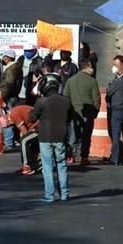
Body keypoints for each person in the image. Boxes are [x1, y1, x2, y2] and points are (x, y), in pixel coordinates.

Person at [29, 74, 73, 203]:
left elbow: (32, 117)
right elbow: (70, 117)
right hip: (61, 136)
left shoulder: (41, 101)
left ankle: (49, 195)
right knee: (62, 165)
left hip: (45, 137)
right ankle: (64, 194)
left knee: (47, 167)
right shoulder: (66, 101)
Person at [64, 58, 100, 166]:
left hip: (74, 112)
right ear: (87, 66)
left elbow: (66, 96)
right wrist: (95, 112)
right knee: (86, 136)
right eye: (91, 66)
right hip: (88, 113)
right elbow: (96, 99)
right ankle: (84, 157)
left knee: (73, 135)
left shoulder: (71, 80)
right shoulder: (92, 81)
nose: (92, 68)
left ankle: (71, 156)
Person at [9, 103, 40, 175]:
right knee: (26, 141)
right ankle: (30, 163)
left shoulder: (14, 115)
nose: (11, 125)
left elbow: (24, 131)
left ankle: (26, 166)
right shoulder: (14, 112)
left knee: (24, 140)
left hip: (39, 126)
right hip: (36, 124)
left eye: (10, 124)